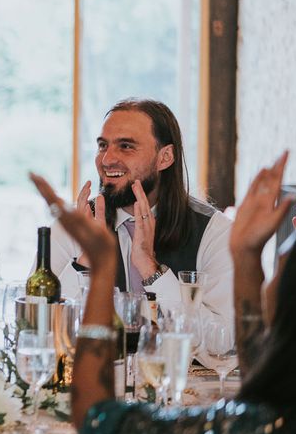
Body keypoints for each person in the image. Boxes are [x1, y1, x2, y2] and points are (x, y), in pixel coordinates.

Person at [30, 154, 296, 434]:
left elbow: (99, 421)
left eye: (281, 269)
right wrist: (247, 259)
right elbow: (258, 367)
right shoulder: (277, 421)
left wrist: (101, 269)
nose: (270, 281)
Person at [51, 98, 233, 330]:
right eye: (103, 146)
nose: (107, 160)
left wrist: (150, 269)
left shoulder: (215, 232)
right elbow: (42, 328)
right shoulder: (74, 226)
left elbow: (223, 341)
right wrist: (87, 260)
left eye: (126, 146)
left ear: (165, 157)